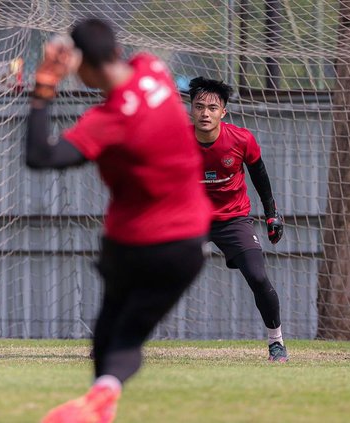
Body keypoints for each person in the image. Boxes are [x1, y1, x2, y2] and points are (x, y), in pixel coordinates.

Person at [27, 18, 213, 423]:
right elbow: (125, 70)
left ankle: (101, 395)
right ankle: (102, 400)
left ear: (82, 65)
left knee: (113, 333)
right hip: (187, 243)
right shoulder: (155, 69)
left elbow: (41, 156)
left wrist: (44, 85)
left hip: (132, 244)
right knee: (121, 335)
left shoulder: (107, 121)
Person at [188, 76, 288, 363]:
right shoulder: (176, 139)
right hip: (191, 220)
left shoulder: (242, 139)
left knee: (258, 276)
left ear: (223, 112)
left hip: (233, 220)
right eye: (199, 107)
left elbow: (260, 177)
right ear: (191, 110)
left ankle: (276, 343)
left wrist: (272, 215)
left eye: (212, 107)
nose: (205, 113)